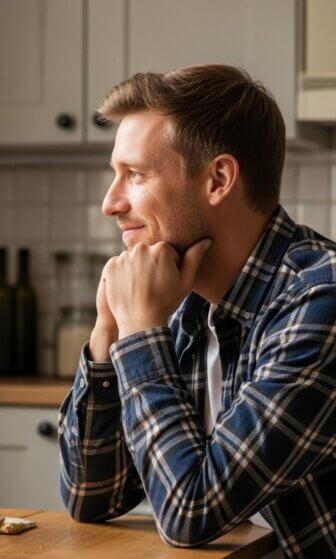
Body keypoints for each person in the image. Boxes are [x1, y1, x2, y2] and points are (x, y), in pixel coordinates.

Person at [58, 64, 336, 558]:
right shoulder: (186, 300)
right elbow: (91, 497)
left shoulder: (322, 299)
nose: (109, 203)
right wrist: (109, 329)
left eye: (136, 175)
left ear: (219, 179)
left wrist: (142, 331)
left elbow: (192, 512)